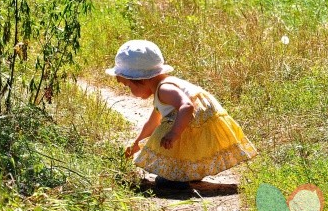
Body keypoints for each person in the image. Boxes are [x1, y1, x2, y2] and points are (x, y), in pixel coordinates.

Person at [106, 40, 257, 188]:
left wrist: (174, 133)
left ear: (140, 80)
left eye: (128, 85)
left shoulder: (164, 89)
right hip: (198, 123)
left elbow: (187, 106)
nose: (130, 92)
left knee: (166, 130)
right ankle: (189, 171)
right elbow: (152, 123)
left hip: (195, 121)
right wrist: (135, 145)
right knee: (165, 124)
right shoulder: (163, 87)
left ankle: (176, 179)